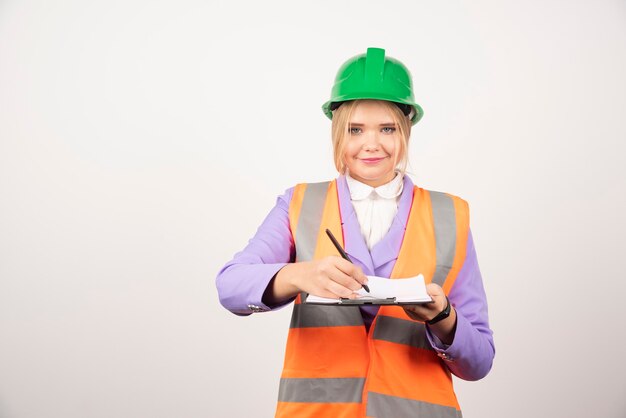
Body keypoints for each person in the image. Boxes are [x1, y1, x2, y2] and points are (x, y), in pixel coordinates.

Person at [216, 47, 495, 418]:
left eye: (387, 128)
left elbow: (479, 363)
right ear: (337, 131)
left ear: (406, 130)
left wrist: (442, 316)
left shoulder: (450, 214)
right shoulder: (300, 203)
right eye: (355, 129)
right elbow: (230, 286)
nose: (372, 143)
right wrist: (300, 274)